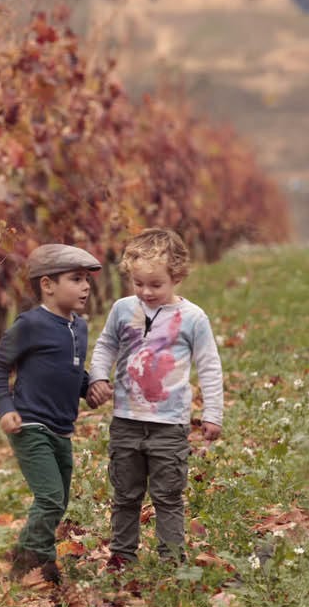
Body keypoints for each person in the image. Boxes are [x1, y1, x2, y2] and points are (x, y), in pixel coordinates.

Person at [87, 228, 223, 568]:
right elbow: (106, 345)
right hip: (127, 421)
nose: (146, 292)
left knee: (167, 494)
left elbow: (209, 365)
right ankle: (122, 556)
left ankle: (171, 559)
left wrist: (212, 413)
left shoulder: (193, 318)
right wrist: (99, 376)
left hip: (169, 424)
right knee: (125, 493)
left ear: (176, 277)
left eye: (155, 285)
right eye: (138, 284)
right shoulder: (122, 309)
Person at [0, 243, 102, 585]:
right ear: (47, 285)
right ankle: (29, 564)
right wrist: (5, 408)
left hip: (62, 428)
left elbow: (69, 369)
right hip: (30, 424)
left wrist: (89, 389)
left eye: (87, 280)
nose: (85, 287)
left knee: (60, 499)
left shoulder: (79, 328)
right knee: (50, 497)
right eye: (76, 279)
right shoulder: (30, 325)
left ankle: (38, 557)